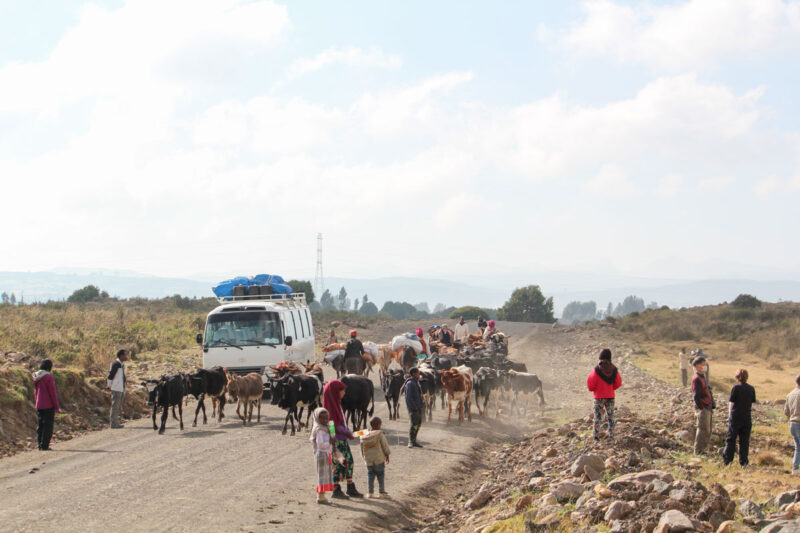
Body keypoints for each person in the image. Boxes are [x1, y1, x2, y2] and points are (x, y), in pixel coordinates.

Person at [322, 379, 363, 498]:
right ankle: (336, 489)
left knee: (348, 462)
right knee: (338, 464)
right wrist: (347, 433)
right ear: (335, 391)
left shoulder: (336, 403)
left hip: (342, 440)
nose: (344, 392)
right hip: (335, 442)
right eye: (342, 390)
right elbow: (332, 425)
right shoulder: (329, 408)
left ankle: (350, 486)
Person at [722, 369, 756, 467]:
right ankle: (743, 462)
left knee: (731, 439)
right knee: (744, 441)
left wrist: (730, 415)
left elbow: (731, 403)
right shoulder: (751, 388)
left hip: (736, 416)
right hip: (746, 417)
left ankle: (727, 460)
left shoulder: (736, 388)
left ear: (737, 378)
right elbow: (751, 403)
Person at [586, 348, 622, 441]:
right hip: (610, 396)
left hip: (598, 398)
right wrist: (610, 388)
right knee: (611, 417)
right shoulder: (614, 369)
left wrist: (596, 390)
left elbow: (590, 384)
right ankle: (611, 435)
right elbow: (618, 383)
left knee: (597, 417)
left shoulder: (596, 370)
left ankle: (596, 437)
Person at [359, 416, 391, 498]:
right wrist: (387, 454)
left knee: (370, 475)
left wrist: (364, 457)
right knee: (380, 475)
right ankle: (382, 492)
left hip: (369, 460)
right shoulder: (380, 434)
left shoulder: (364, 433)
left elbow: (361, 446)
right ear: (379, 424)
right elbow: (384, 445)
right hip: (379, 459)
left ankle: (370, 493)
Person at [33, 359, 60, 451]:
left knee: (40, 425)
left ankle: (39, 445)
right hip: (48, 405)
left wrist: (36, 402)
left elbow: (35, 392)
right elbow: (52, 393)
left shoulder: (36, 376)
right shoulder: (49, 377)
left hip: (39, 404)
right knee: (48, 426)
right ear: (49, 368)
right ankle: (45, 445)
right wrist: (56, 406)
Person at [309, 407, 334, 504]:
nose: (325, 421)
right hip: (321, 454)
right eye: (322, 419)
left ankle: (322, 496)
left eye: (326, 418)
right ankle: (320, 497)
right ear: (317, 419)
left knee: (325, 475)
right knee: (322, 476)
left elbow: (333, 435)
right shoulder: (319, 430)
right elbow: (320, 445)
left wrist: (333, 436)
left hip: (326, 454)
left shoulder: (327, 427)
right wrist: (330, 442)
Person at [691, 355, 714, 454]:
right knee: (702, 430)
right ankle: (698, 451)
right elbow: (696, 395)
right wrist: (701, 407)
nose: (705, 367)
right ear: (696, 366)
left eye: (705, 365)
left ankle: (703, 449)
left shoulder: (702, 377)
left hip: (707, 406)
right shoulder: (697, 379)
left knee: (707, 430)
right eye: (703, 365)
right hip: (703, 407)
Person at [107, 349, 128, 428]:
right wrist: (109, 385)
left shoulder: (121, 364)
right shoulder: (116, 364)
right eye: (125, 355)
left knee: (118, 406)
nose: (126, 357)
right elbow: (111, 375)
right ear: (121, 355)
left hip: (121, 388)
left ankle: (116, 422)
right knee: (115, 405)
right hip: (116, 388)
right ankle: (113, 423)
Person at [784, 375, 800, 475]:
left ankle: (795, 468)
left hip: (793, 424)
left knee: (797, 447)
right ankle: (795, 468)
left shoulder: (790, 394)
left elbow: (786, 411)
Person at [405, 367, 424, 447]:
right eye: (418, 373)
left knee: (418, 424)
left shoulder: (416, 382)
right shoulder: (410, 383)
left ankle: (414, 440)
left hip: (418, 407)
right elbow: (408, 398)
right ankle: (410, 441)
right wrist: (414, 408)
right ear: (414, 374)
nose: (419, 375)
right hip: (413, 408)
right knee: (413, 424)